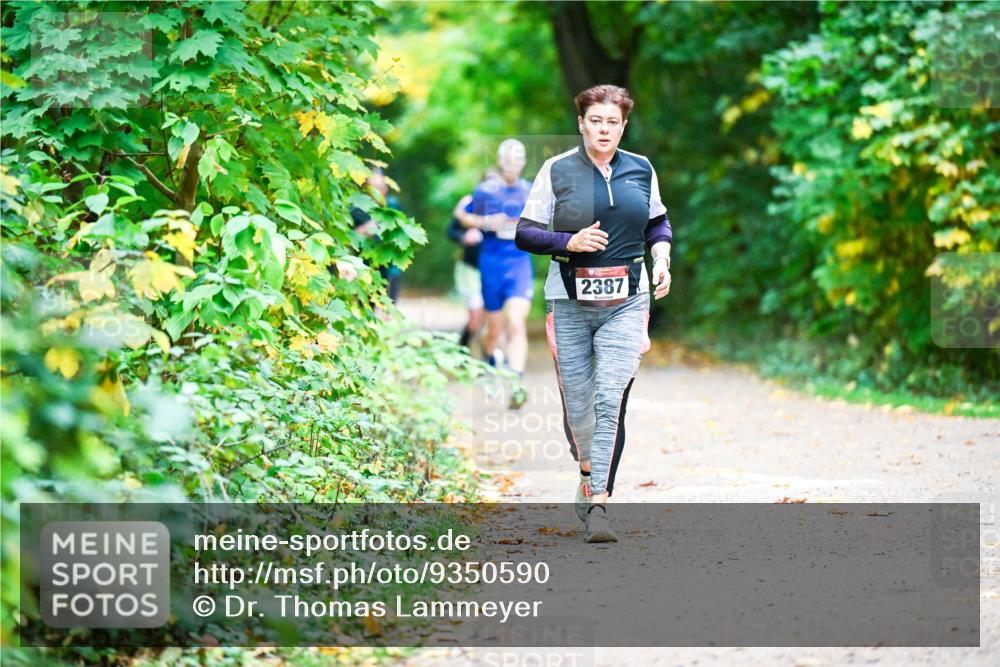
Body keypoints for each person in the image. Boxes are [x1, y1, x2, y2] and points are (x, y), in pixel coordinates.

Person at [515, 84, 672, 543]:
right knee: (580, 408)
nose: (604, 130)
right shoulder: (556, 169)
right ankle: (586, 471)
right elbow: (525, 234)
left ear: (624, 126)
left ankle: (599, 500)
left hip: (628, 300)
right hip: (568, 302)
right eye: (596, 121)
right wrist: (569, 242)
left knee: (611, 398)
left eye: (613, 122)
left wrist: (660, 259)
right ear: (581, 123)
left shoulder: (641, 169)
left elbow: (657, 222)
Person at [456, 139, 533, 408]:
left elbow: (546, 217)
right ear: (500, 161)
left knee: (516, 322)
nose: (513, 164)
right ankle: (489, 361)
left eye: (518, 159)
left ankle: (517, 383)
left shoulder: (530, 190)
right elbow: (461, 215)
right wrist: (485, 222)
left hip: (520, 264)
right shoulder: (485, 192)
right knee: (494, 330)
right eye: (508, 159)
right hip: (491, 264)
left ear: (523, 163)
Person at [448, 193, 485, 349]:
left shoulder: (506, 205)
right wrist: (464, 237)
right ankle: (462, 349)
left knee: (490, 318)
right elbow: (451, 231)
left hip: (494, 270)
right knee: (475, 319)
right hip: (470, 269)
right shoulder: (470, 204)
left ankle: (489, 357)